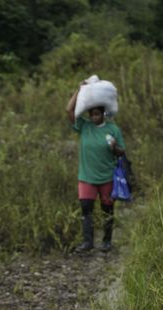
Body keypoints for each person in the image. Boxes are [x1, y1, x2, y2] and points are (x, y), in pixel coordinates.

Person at [66, 83, 126, 253]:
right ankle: (88, 242)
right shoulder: (84, 127)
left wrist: (115, 147)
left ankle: (107, 241)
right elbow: (69, 111)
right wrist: (78, 90)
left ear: (103, 114)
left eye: (97, 114)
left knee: (107, 208)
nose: (94, 117)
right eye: (91, 114)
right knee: (86, 208)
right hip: (86, 177)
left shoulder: (113, 129)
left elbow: (122, 152)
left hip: (107, 177)